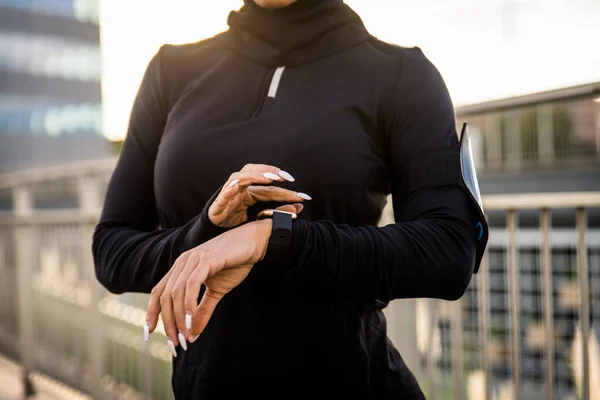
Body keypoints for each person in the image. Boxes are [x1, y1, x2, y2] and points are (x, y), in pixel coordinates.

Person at [92, 0, 489, 398]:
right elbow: (111, 250)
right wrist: (206, 233)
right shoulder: (171, 70)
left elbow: (449, 251)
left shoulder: (401, 74)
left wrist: (275, 239)